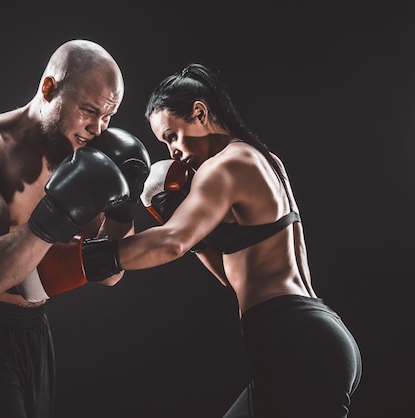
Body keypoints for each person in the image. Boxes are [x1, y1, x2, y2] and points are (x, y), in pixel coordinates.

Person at [77, 63, 363, 417]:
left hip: (297, 346)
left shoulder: (224, 166)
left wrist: (79, 262)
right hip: (305, 338)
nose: (172, 152)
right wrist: (182, 221)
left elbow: (171, 243)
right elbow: (234, 278)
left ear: (199, 112)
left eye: (171, 135)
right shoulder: (262, 158)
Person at [0, 39, 150, 418]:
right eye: (89, 112)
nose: (97, 128)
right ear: (49, 88)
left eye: (108, 117)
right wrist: (53, 214)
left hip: (32, 328)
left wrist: (123, 211)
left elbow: (109, 271)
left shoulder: (81, 156)